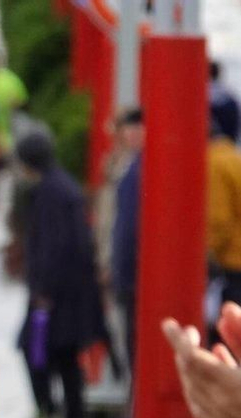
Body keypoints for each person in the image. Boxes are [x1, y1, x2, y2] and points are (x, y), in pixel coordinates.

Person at [14, 129, 107, 418]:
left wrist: (43, 289)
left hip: (55, 294)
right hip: (71, 291)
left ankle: (51, 411)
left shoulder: (48, 193)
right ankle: (70, 413)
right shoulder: (62, 187)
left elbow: (55, 245)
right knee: (64, 355)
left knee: (36, 350)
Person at [206, 107, 241, 335]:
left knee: (219, 334)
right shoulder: (240, 159)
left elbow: (218, 219)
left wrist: (207, 253)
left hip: (224, 260)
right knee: (235, 331)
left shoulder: (213, 162)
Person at [109, 108, 143, 373]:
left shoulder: (138, 169)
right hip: (127, 264)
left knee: (135, 337)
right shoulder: (126, 165)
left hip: (133, 267)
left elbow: (128, 225)